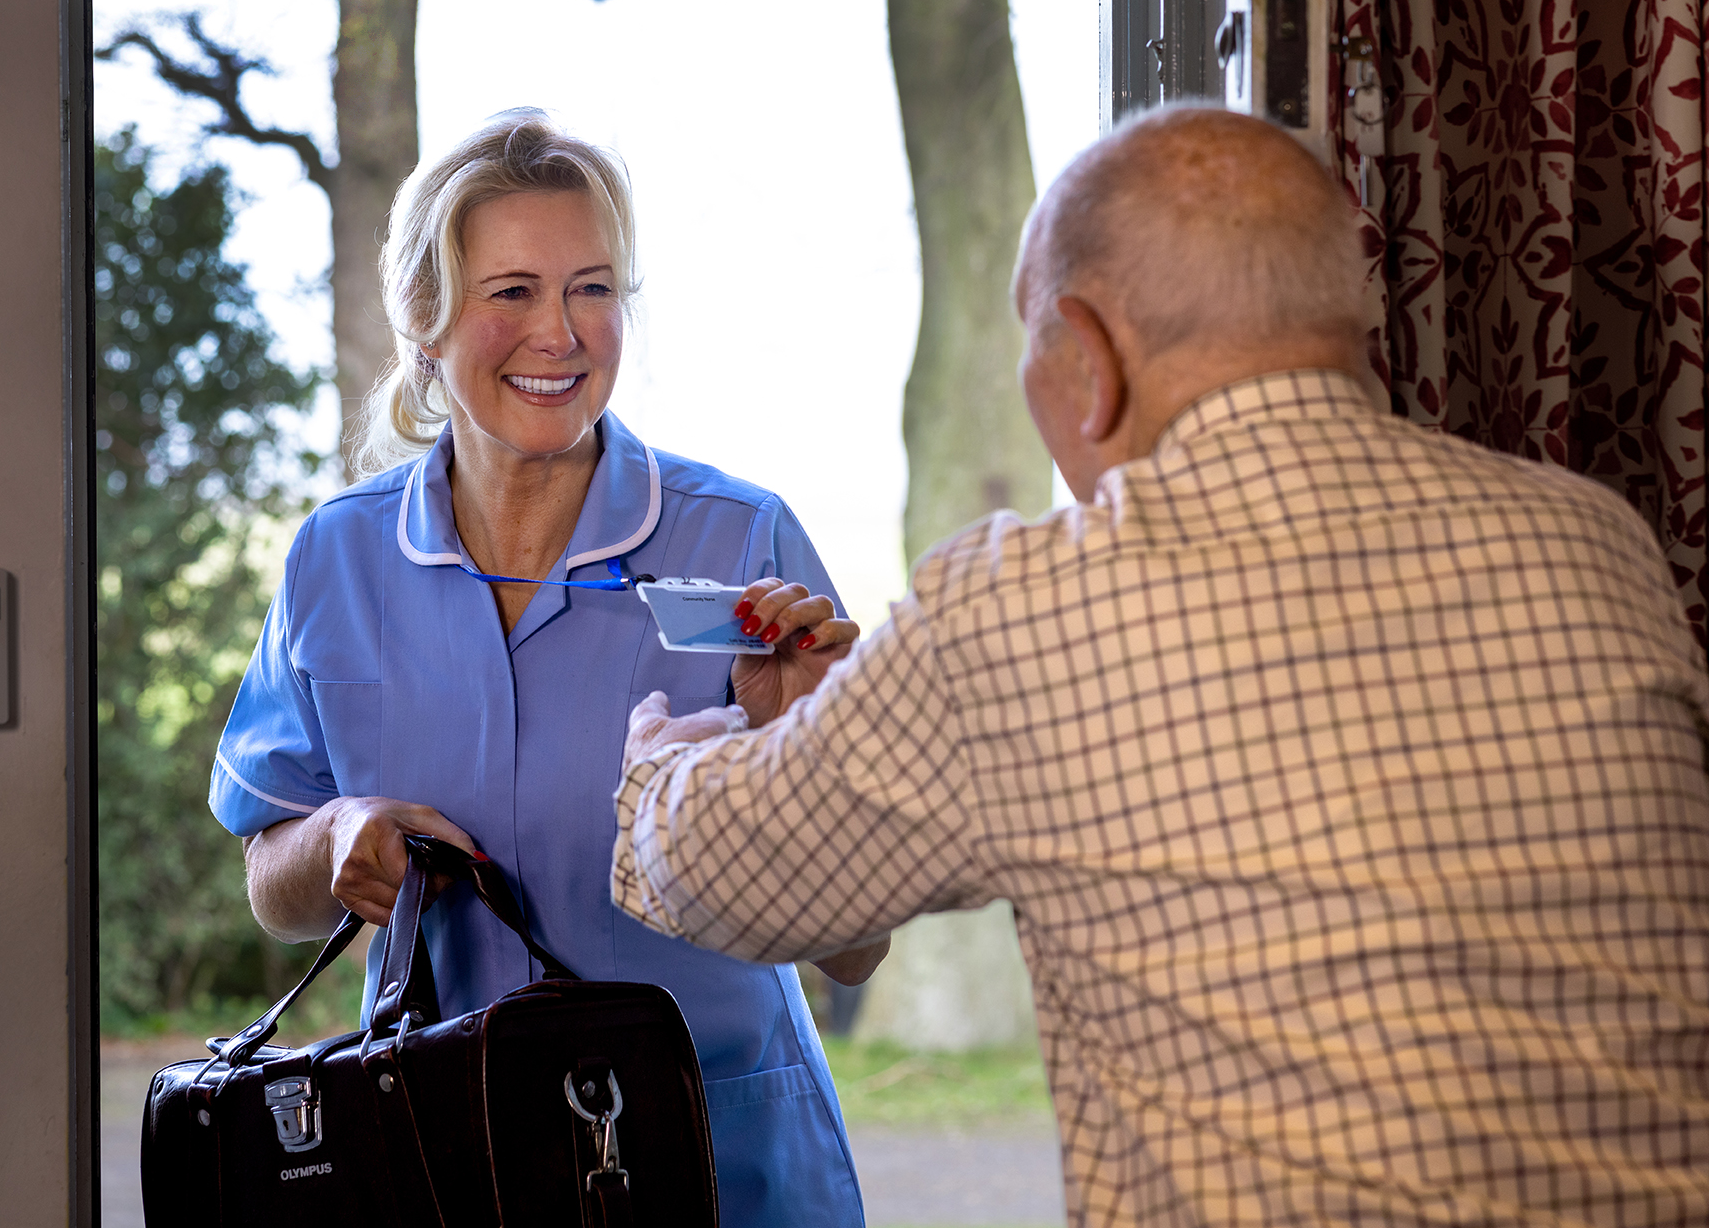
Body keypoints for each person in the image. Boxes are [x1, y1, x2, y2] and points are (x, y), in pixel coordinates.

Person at [612, 106, 1709, 1226]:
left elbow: (728, 874)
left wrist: (660, 758)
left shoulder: (1027, 608)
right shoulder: (1594, 542)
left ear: (1084, 357)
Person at [210, 110, 885, 1227]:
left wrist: (806, 754)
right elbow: (272, 885)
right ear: (426, 319)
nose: (559, 333)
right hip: (445, 1160)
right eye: (511, 291)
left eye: (592, 289)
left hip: (725, 1163)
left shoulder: (740, 544)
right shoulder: (338, 556)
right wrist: (334, 836)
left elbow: (855, 949)